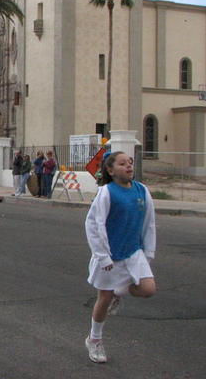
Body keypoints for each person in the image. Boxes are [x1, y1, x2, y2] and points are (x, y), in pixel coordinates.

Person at [84, 151, 156, 364]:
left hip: (134, 251)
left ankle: (118, 292)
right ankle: (94, 339)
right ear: (110, 170)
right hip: (111, 255)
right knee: (103, 299)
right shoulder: (106, 192)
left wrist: (148, 251)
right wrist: (102, 256)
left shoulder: (142, 190)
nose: (128, 166)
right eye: (122, 163)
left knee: (148, 289)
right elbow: (93, 225)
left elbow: (149, 222)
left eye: (130, 163)